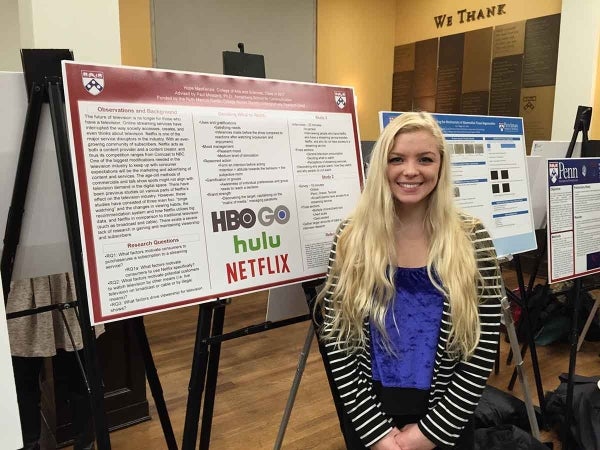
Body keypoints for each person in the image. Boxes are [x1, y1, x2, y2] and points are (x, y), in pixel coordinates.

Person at [316, 112, 503, 450]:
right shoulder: (351, 238)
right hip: (369, 411)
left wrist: (434, 431)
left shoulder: (472, 239)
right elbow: (338, 341)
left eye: (425, 159)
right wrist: (374, 431)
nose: (411, 170)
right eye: (397, 159)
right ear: (381, 167)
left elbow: (483, 344)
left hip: (446, 413)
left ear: (441, 166)